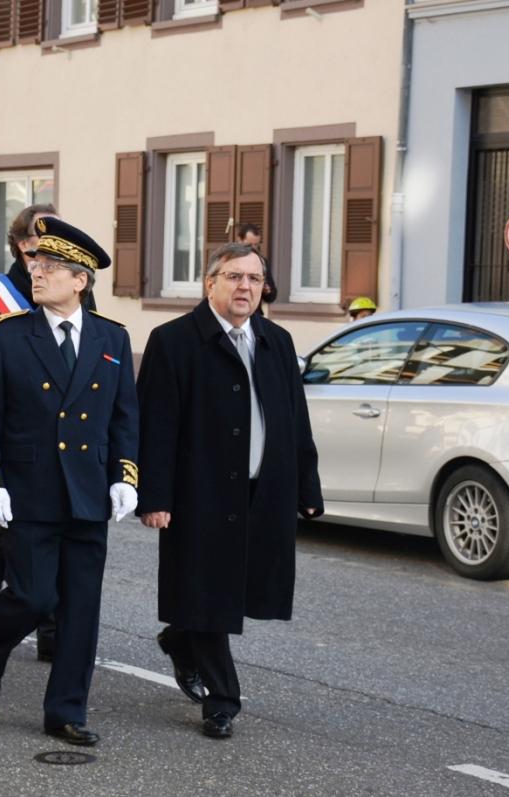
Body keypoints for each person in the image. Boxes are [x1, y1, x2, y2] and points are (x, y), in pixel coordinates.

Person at [137, 242, 323, 740]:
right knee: (211, 589)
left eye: (254, 280)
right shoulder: (173, 341)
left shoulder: (277, 342)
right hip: (199, 492)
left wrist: (307, 483)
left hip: (264, 490)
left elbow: (295, 419)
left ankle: (179, 637)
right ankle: (223, 700)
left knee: (237, 586)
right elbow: (156, 425)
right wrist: (154, 496)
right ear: (210, 282)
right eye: (235, 277)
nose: (245, 288)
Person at [0, 217, 139, 747]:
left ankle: (66, 710)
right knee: (34, 598)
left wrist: (125, 477)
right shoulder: (8, 334)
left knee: (81, 609)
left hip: (88, 492)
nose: (36, 275)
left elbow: (123, 417)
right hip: (31, 489)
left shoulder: (113, 337)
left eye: (49, 268)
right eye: (35, 266)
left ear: (79, 280)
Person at [0, 204, 98, 660]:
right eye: (40, 246)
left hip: (63, 448)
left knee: (38, 538)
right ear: (22, 246)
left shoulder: (73, 287)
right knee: (15, 534)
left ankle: (51, 633)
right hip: (17, 444)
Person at [236, 223, 277, 312]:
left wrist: (267, 290)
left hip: (254, 315)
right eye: (249, 245)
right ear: (239, 239)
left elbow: (272, 296)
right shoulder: (226, 261)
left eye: (256, 245)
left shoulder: (262, 262)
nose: (253, 248)